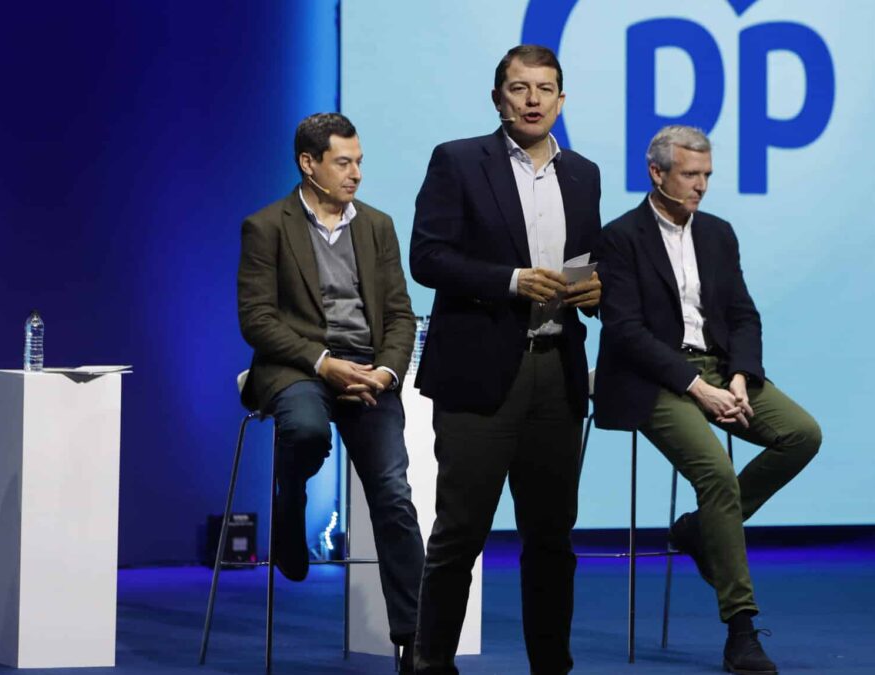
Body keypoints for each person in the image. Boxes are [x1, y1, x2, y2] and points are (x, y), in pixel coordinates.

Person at [593, 125, 822, 675]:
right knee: (717, 473)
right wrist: (697, 389)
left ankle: (701, 530)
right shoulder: (620, 237)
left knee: (802, 434)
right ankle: (740, 628)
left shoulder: (718, 233)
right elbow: (625, 331)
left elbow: (742, 314)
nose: (700, 187)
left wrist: (740, 376)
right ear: (657, 173)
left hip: (720, 369)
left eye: (707, 176)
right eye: (690, 176)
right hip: (652, 378)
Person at [408, 45, 602, 675]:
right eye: (520, 88)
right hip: (478, 372)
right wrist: (510, 281)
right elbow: (428, 258)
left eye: (545, 88)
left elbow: (588, 261)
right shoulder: (459, 161)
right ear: (499, 99)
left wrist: (598, 291)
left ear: (562, 100)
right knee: (460, 533)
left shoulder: (584, 174)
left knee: (551, 537)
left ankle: (552, 664)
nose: (533, 100)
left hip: (557, 370)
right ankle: (431, 662)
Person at [237, 112, 424, 672]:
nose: (356, 174)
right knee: (307, 429)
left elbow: (400, 314)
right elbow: (257, 320)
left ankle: (416, 643)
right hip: (299, 366)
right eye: (344, 162)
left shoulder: (377, 225)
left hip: (369, 375)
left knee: (392, 495)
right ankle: (290, 499)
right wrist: (324, 362)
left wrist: (385, 373)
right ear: (309, 164)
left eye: (359, 161)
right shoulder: (266, 226)